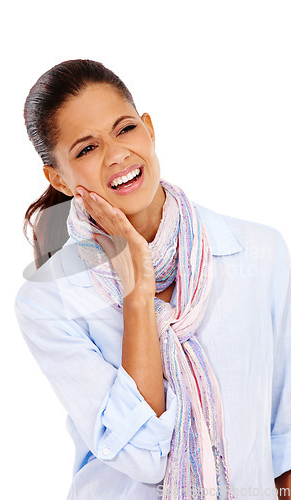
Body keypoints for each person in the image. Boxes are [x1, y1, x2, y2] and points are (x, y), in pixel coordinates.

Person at [14, 59, 291, 499]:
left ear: (149, 129)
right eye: (86, 149)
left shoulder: (259, 251)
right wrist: (138, 293)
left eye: (124, 129)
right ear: (58, 180)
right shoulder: (48, 301)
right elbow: (144, 457)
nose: (117, 154)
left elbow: (283, 431)